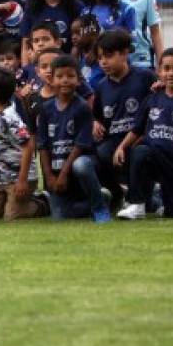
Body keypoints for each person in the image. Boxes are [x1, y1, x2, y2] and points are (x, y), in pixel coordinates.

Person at [115, 48, 173, 219]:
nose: (171, 73)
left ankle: (157, 199)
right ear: (159, 71)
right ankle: (137, 204)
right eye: (167, 68)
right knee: (140, 151)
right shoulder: (152, 98)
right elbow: (137, 130)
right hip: (152, 158)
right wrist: (121, 147)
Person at [36, 55, 111, 223]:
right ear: (51, 79)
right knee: (61, 217)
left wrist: (63, 174)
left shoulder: (82, 107)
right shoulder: (46, 109)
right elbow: (42, 145)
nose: (65, 80)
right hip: (56, 169)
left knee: (82, 165)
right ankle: (101, 197)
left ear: (79, 80)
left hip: (76, 164)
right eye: (60, 76)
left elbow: (80, 145)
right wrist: (49, 177)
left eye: (70, 76)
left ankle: (99, 206)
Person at [91, 29, 155, 210]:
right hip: (114, 140)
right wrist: (94, 122)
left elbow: (158, 107)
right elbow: (97, 114)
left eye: (108, 56)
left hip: (141, 137)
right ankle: (119, 192)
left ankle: (144, 196)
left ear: (125, 53)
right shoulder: (102, 86)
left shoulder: (145, 77)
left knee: (138, 153)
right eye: (100, 57)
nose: (103, 62)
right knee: (100, 154)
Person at [0, 65, 46, 220]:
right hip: (0, 177)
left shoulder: (10, 118)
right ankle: (15, 203)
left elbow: (28, 146)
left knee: (12, 217)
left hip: (20, 177)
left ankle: (41, 204)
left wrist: (22, 180)